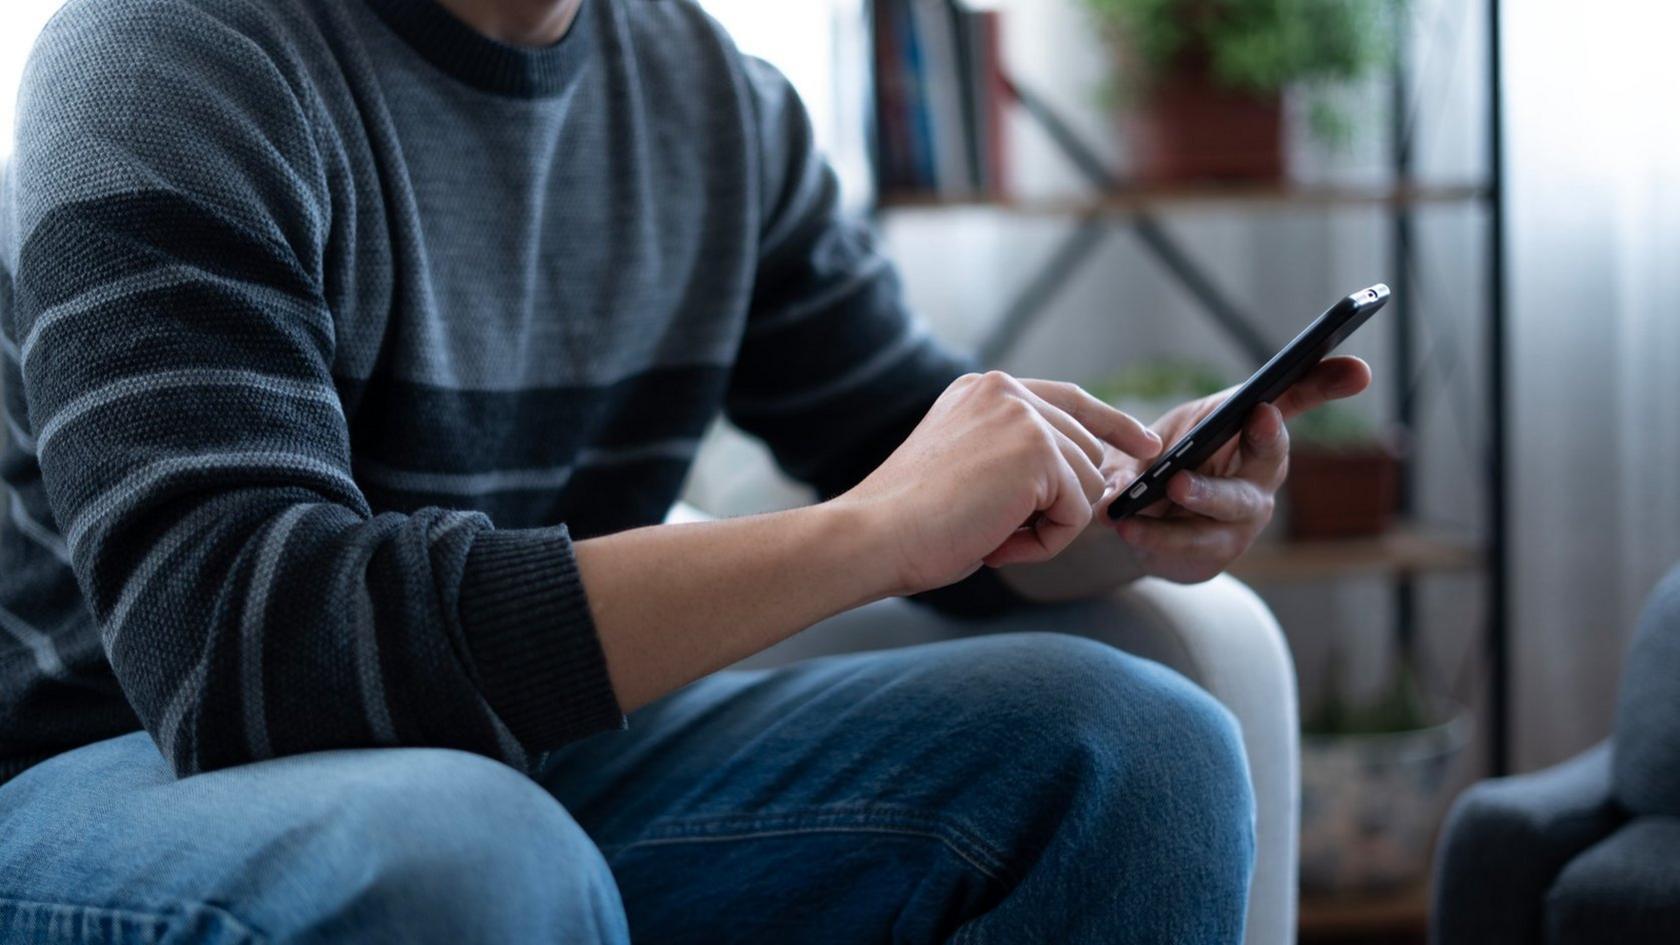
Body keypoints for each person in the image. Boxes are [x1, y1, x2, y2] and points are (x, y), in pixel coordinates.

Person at [0, 0, 1371, 941]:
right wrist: (872, 530)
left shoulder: (710, 100)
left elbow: (917, 467)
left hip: (523, 758)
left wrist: (1125, 497)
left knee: (1135, 747)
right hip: (106, 777)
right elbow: (249, 658)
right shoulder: (167, 56)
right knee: (469, 850)